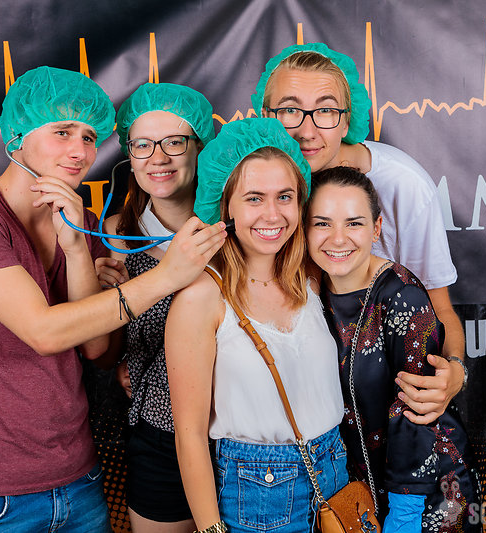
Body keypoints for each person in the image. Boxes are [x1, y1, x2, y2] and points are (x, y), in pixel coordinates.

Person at [0, 66, 226, 532]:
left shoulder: (80, 221)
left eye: (88, 137)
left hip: (79, 480)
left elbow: (97, 350)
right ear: (18, 134)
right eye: (62, 132)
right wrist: (168, 276)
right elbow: (45, 332)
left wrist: (77, 252)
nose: (80, 151)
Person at [252, 43, 467, 422]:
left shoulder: (404, 185)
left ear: (346, 119)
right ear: (266, 116)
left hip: (383, 406)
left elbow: (440, 306)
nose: (306, 131)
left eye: (325, 111)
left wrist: (455, 371)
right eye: (289, 110)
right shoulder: (255, 187)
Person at [166, 118, 349, 533]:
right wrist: (211, 529)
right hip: (258, 492)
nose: (272, 214)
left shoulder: (313, 276)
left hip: (335, 473)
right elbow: (189, 435)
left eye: (285, 197)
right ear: (225, 206)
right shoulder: (200, 298)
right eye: (254, 198)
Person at [306, 166, 480, 532]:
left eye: (354, 223)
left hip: (425, 491)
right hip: (357, 487)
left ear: (376, 228)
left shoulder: (402, 297)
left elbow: (415, 408)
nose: (337, 238)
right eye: (322, 223)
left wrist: (404, 513)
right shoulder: (310, 292)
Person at [94, 82, 216, 533]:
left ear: (199, 146)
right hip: (160, 437)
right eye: (143, 145)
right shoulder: (117, 236)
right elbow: (104, 354)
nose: (158, 157)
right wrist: (107, 304)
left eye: (174, 142)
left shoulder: (241, 225)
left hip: (242, 438)